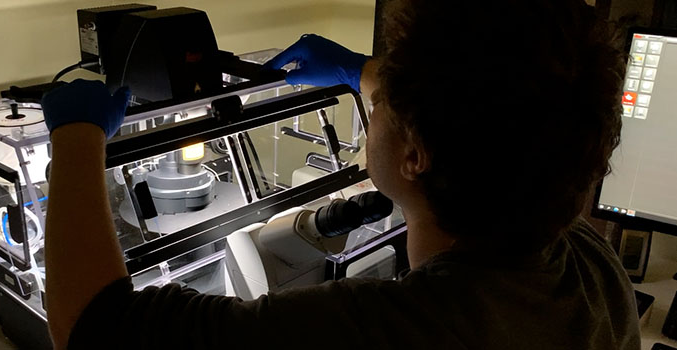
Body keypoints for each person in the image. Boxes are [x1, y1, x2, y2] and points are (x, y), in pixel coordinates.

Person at [41, 0, 639, 348]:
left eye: (380, 107)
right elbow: (512, 112)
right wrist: (358, 70)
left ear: (415, 156)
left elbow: (90, 327)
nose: (371, 104)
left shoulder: (391, 330)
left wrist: (74, 139)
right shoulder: (590, 263)